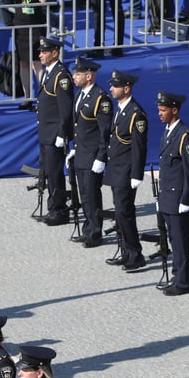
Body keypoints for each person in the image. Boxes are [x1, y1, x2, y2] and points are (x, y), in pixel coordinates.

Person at [155, 91, 189, 295]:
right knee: (173, 239)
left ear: (174, 110)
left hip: (179, 198)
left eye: (163, 110)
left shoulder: (185, 136)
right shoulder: (169, 131)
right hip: (168, 197)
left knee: (181, 243)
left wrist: (187, 199)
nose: (160, 113)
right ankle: (177, 275)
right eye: (159, 110)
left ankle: (183, 282)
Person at [104, 70, 148, 271]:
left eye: (115, 86)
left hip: (126, 172)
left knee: (125, 213)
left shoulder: (136, 114)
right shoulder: (121, 109)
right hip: (116, 170)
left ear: (127, 88)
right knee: (120, 214)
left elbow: (139, 147)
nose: (111, 88)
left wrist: (136, 174)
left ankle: (135, 254)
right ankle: (126, 251)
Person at [69, 57, 112, 249]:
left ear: (89, 75)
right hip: (82, 153)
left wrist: (101, 157)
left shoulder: (100, 98)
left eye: (77, 74)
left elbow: (104, 132)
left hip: (92, 155)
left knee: (92, 195)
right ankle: (88, 228)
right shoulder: (81, 95)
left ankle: (95, 232)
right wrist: (74, 149)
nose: (74, 77)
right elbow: (80, 126)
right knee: (84, 194)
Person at [35, 36, 75, 227]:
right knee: (48, 172)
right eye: (40, 51)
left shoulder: (61, 76)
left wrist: (62, 134)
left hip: (54, 134)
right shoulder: (49, 73)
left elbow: (66, 109)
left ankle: (59, 210)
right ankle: (53, 205)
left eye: (44, 51)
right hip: (45, 132)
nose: (40, 54)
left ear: (54, 53)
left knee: (55, 172)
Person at [4, 0, 50, 99]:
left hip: (36, 24)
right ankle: (27, 96)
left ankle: (42, 95)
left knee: (37, 62)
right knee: (24, 63)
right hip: (21, 25)